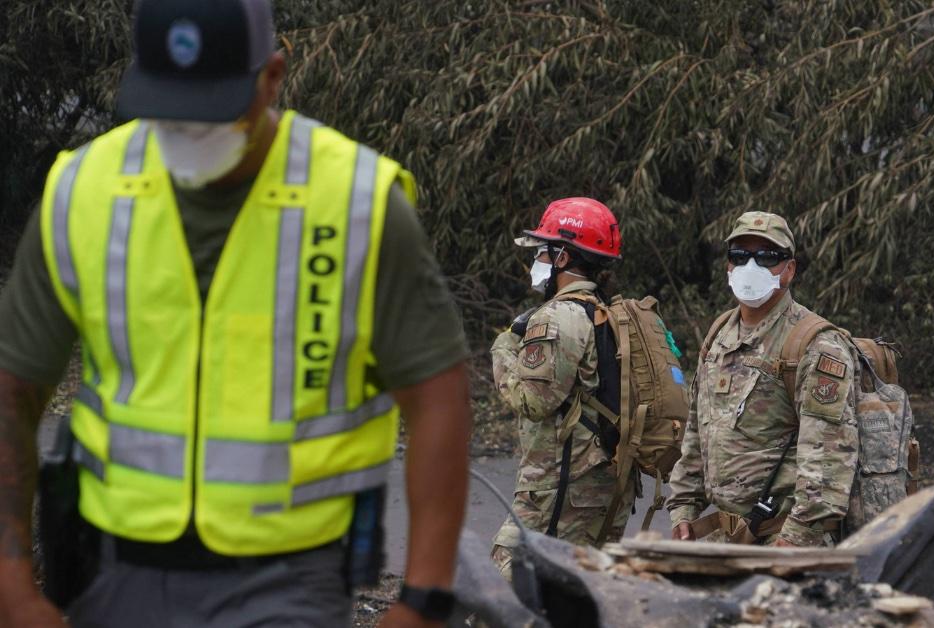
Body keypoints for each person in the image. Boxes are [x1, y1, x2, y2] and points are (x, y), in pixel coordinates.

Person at [0, 1, 470, 626]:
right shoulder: (85, 190)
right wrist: (12, 588)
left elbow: (438, 394)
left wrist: (424, 599)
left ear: (272, 77)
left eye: (212, 110)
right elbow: (13, 390)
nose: (189, 132)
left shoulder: (356, 203)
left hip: (287, 580)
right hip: (112, 570)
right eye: (168, 110)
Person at [666, 211, 859, 547]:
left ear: (789, 270)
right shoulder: (720, 334)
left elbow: (830, 457)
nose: (750, 268)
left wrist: (796, 540)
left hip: (783, 540)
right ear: (727, 266)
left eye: (767, 257)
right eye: (739, 257)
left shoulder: (815, 345)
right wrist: (683, 507)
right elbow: (699, 428)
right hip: (725, 537)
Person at [489, 197, 635, 577]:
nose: (536, 261)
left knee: (508, 586)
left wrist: (504, 349)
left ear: (563, 258)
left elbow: (534, 401)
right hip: (610, 486)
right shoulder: (618, 315)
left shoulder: (558, 316)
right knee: (580, 593)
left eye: (542, 252)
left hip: (560, 488)